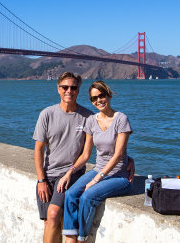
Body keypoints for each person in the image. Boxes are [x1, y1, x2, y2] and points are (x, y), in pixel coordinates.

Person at [34, 73, 135, 243]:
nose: (69, 91)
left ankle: (79, 239)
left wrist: (126, 159)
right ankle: (71, 236)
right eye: (65, 87)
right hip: (51, 174)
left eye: (73, 88)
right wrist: (41, 179)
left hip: (93, 174)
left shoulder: (99, 118)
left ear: (108, 95)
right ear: (58, 89)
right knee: (52, 218)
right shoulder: (51, 114)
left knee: (63, 209)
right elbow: (40, 150)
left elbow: (113, 152)